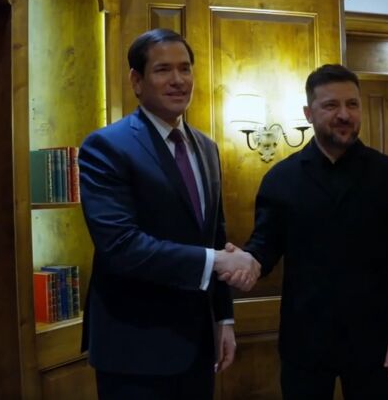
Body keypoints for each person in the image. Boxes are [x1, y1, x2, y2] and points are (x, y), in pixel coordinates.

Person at [78, 28, 260, 400]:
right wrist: (217, 261)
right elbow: (121, 246)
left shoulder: (206, 147)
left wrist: (223, 318)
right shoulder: (106, 147)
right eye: (163, 70)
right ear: (137, 81)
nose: (178, 80)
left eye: (185, 68)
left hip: (198, 346)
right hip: (135, 350)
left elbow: (214, 235)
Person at [240, 64, 388, 399]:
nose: (344, 114)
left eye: (352, 104)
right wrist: (246, 261)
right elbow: (265, 245)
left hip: (374, 339)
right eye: (331, 105)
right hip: (304, 340)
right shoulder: (281, 178)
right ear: (308, 113)